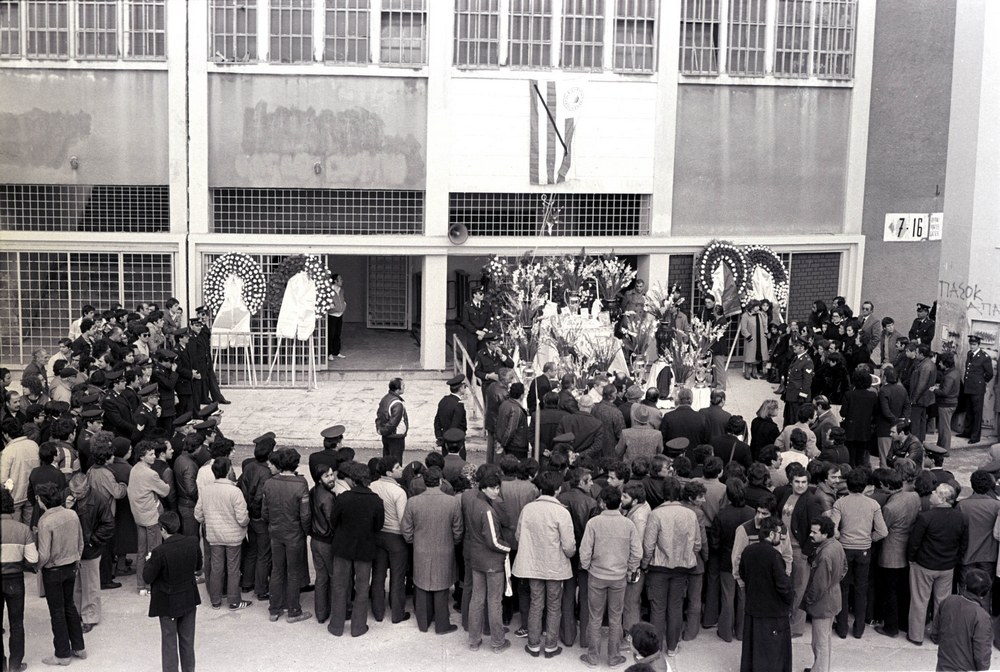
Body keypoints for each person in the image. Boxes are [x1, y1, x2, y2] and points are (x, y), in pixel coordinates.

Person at [513, 470, 575, 658]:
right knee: (554, 605)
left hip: (533, 566)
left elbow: (518, 536)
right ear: (558, 489)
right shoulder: (562, 512)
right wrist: (569, 555)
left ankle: (533, 645)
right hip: (555, 567)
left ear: (540, 489)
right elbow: (569, 546)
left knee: (536, 603)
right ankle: (550, 646)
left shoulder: (528, 509)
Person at [578, 485, 642, 668]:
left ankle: (592, 658)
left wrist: (588, 566)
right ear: (619, 503)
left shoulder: (593, 523)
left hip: (596, 576)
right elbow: (637, 553)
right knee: (615, 618)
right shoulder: (628, 524)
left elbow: (584, 551)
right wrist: (630, 569)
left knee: (595, 617)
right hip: (619, 578)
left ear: (603, 503)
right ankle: (614, 658)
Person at [642, 477, 701, 658]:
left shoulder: (656, 514)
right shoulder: (691, 514)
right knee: (676, 606)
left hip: (659, 568)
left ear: (662, 493)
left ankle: (655, 648)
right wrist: (687, 554)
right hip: (682, 568)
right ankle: (673, 647)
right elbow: (697, 544)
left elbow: (649, 545)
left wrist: (645, 564)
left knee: (657, 608)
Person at [401, 466, 463, 635]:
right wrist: (453, 542)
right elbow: (458, 530)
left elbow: (406, 529)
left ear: (424, 481)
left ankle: (423, 622)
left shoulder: (413, 502)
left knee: (421, 585)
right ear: (441, 481)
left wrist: (414, 541)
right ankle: (442, 624)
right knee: (442, 586)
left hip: (421, 549)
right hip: (445, 548)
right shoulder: (452, 502)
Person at [829, 467, 887, 638]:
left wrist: (840, 537)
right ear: (865, 486)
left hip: (845, 549)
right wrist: (869, 538)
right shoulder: (873, 504)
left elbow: (832, 529)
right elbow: (883, 531)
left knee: (843, 587)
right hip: (864, 550)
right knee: (861, 589)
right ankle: (859, 629)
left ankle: (842, 628)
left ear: (847, 485)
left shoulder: (840, 503)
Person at [907, 482, 967, 645]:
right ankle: (939, 635)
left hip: (924, 564)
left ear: (942, 498)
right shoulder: (961, 517)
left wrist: (911, 558)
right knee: (942, 602)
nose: (932, 493)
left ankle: (916, 636)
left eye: (935, 492)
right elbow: (963, 543)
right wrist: (955, 560)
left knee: (919, 601)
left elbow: (914, 542)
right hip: (947, 566)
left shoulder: (926, 517)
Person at [329, 461, 384, 638]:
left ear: (353, 480)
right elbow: (378, 525)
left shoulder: (343, 498)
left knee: (339, 586)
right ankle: (358, 627)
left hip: (343, 547)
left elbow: (333, 521)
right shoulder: (376, 501)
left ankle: (336, 626)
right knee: (362, 588)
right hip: (365, 548)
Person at [35, 481, 86, 666]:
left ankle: (62, 654)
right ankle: (79, 647)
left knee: (57, 612)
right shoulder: (72, 514)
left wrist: (36, 566)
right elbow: (80, 542)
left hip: (53, 570)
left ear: (41, 500)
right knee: (70, 606)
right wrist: (76, 559)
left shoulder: (45, 521)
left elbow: (44, 554)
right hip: (71, 566)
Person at [143, 511, 201, 672]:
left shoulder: (159, 552)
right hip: (188, 598)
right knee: (187, 640)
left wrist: (149, 562)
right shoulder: (192, 542)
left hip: (168, 602)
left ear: (162, 529)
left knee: (169, 643)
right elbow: (198, 566)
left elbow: (147, 577)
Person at [261, 448, 312, 624]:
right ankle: (293, 610)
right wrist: (306, 531)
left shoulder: (269, 483)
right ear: (295, 464)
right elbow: (305, 515)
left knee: (277, 570)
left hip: (275, 531)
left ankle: (274, 609)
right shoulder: (301, 484)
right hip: (294, 533)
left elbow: (265, 512)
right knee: (293, 572)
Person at [194, 456, 251, 611]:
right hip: (233, 536)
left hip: (214, 535)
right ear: (228, 471)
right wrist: (245, 524)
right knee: (233, 569)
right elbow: (242, 518)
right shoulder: (235, 491)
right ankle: (234, 601)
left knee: (216, 567)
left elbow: (198, 514)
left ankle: (215, 600)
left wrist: (209, 522)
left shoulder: (206, 490)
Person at [738, 516, 793, 672]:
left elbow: (742, 573)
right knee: (773, 652)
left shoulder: (748, 551)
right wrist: (789, 600)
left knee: (754, 648)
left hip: (753, 608)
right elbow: (783, 585)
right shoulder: (775, 556)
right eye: (779, 534)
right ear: (772, 534)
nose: (781, 538)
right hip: (773, 612)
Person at [465, 468, 511, 653]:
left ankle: (474, 641)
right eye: (493, 488)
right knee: (494, 602)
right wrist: (508, 548)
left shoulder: (473, 503)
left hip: (476, 560)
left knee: (477, 600)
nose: (496, 491)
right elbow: (493, 541)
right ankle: (498, 642)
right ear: (484, 488)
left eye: (498, 488)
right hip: (492, 562)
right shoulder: (488, 510)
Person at [64, 472, 114, 634]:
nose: (74, 495)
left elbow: (108, 524)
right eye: (72, 491)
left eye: (78, 493)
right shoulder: (67, 495)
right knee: (76, 584)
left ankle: (90, 617)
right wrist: (66, 508)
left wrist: (92, 540)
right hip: (73, 548)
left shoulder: (99, 499)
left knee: (90, 586)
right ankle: (78, 613)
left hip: (90, 549)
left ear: (86, 489)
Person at [874, 469, 920, 640]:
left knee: (890, 591)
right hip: (907, 548)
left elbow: (882, 530)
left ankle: (890, 627)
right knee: (903, 590)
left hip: (891, 552)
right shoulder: (913, 496)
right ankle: (903, 623)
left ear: (886, 485)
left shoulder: (890, 508)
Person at [802, 516, 847, 672]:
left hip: (822, 603)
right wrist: (834, 580)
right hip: (834, 596)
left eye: (815, 532)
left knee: (819, 642)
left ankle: (820, 670)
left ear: (825, 534)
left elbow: (818, 585)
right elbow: (844, 569)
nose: (811, 535)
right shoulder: (837, 545)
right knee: (825, 638)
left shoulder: (825, 554)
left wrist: (808, 599)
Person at [369, 456, 410, 625]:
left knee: (378, 575)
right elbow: (402, 520)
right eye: (398, 467)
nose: (401, 469)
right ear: (389, 472)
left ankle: (378, 612)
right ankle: (397, 613)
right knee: (397, 577)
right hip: (396, 538)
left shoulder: (372, 486)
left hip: (378, 536)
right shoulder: (398, 492)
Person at [1, 487, 37, 672]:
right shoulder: (23, 529)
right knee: (16, 623)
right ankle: (15, 664)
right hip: (15, 579)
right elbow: (33, 559)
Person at [128, 441, 171, 596]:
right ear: (142, 456)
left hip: (139, 516)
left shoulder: (134, 469)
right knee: (154, 552)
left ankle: (141, 585)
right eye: (151, 454)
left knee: (141, 552)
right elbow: (165, 490)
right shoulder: (150, 474)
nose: (154, 457)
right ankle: (153, 585)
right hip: (152, 517)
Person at [933, 567, 993, 672]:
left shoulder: (948, 601)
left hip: (943, 665)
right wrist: (983, 668)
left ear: (965, 585)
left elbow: (935, 633)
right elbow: (982, 651)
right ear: (986, 593)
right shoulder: (982, 617)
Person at [309, 465, 337, 625]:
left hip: (315, 540)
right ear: (320, 479)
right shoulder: (328, 497)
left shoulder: (314, 491)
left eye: (332, 474)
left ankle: (321, 613)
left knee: (321, 577)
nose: (331, 478)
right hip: (327, 542)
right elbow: (332, 522)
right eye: (327, 476)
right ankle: (335, 612)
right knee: (334, 577)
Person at [1, 419, 40, 525]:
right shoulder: (34, 445)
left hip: (14, 497)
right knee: (29, 526)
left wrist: (9, 491)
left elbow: (3, 479)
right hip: (32, 494)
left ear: (6, 434)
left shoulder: (8, 451)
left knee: (16, 527)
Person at [960, 335, 994, 444]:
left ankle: (975, 437)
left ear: (978, 345)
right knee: (969, 411)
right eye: (971, 344)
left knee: (977, 413)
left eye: (974, 344)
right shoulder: (969, 354)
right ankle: (967, 432)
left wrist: (981, 382)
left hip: (977, 389)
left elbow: (989, 374)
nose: (972, 346)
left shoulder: (984, 357)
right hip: (968, 387)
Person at [876, 366, 910, 467]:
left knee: (885, 457)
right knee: (897, 457)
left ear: (885, 377)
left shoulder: (883, 390)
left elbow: (885, 411)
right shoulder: (902, 389)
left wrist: (896, 421)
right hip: (899, 429)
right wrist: (902, 421)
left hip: (885, 428)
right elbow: (907, 407)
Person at [433, 375, 468, 459]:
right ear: (460, 389)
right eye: (464, 386)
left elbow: (437, 421)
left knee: (446, 462)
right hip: (456, 440)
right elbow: (455, 425)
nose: (465, 388)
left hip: (445, 438)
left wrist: (439, 437)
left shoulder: (443, 400)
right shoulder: (459, 405)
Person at [375, 378, 408, 464]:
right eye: (403, 385)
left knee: (387, 461)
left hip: (386, 436)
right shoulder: (397, 403)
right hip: (395, 437)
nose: (404, 387)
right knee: (395, 463)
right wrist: (384, 431)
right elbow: (393, 423)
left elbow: (379, 415)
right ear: (397, 388)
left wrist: (380, 429)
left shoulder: (385, 398)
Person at [739, 301, 768, 380]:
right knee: (749, 356)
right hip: (751, 338)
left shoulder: (760, 314)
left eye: (758, 306)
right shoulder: (745, 315)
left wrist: (765, 333)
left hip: (760, 337)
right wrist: (748, 336)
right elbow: (743, 328)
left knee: (757, 355)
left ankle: (754, 372)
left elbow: (764, 324)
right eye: (756, 306)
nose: (758, 308)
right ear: (752, 307)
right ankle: (747, 372)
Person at [461, 285, 492, 355]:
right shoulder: (467, 305)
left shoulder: (486, 304)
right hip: (472, 334)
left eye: (483, 293)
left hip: (484, 333)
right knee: (472, 354)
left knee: (483, 354)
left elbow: (488, 319)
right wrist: (477, 332)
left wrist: (484, 331)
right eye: (480, 293)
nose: (482, 295)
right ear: (474, 295)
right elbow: (466, 321)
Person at [326, 273, 347, 360]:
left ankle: (336, 351)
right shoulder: (329, 290)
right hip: (332, 315)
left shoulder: (341, 290)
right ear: (335, 281)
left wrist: (344, 305)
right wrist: (332, 307)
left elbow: (342, 300)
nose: (342, 281)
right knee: (331, 334)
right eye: (340, 279)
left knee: (337, 334)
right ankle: (329, 353)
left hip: (340, 314)